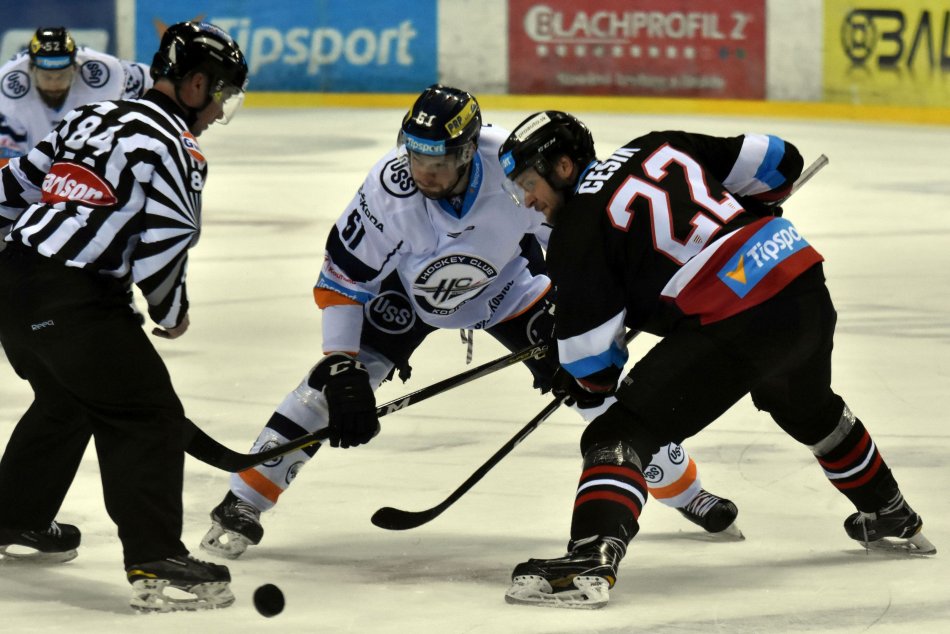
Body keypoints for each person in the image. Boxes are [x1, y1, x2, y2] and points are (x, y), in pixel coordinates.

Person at [199, 85, 741, 561]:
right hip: (404, 293)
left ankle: (687, 491)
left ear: (466, 151)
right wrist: (341, 365)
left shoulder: (513, 168)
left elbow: (573, 242)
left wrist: (588, 313)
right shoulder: (389, 189)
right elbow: (343, 277)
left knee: (595, 387)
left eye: (437, 161)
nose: (423, 172)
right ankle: (242, 501)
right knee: (326, 391)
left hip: (509, 288)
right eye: (416, 156)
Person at [496, 111, 936, 609]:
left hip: (737, 317)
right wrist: (754, 205)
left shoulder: (578, 228)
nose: (528, 201)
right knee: (808, 408)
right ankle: (890, 511)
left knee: (617, 434)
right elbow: (780, 162)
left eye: (529, 184)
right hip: (800, 283)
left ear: (562, 166)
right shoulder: (658, 144)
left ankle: (588, 559)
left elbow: (594, 366)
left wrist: (575, 377)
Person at [0, 21, 248, 612]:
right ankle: (155, 558)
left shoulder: (92, 117)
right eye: (221, 96)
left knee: (67, 401)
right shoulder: (177, 147)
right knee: (148, 415)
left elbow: (11, 187)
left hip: (11, 286)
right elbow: (167, 240)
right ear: (195, 84)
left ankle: (14, 517)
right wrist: (172, 311)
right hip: (75, 300)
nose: (218, 112)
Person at [0, 26, 152, 168]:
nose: (54, 84)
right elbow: (7, 165)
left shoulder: (106, 72)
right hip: (35, 168)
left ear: (75, 68)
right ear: (31, 70)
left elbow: (155, 81)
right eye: (47, 76)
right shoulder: (7, 91)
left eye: (62, 75)